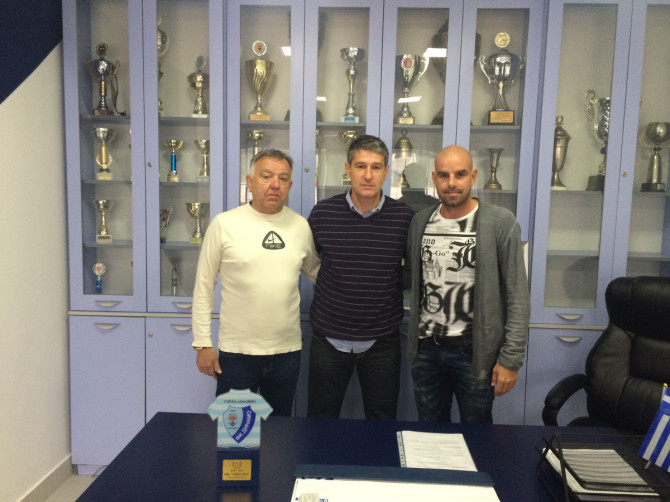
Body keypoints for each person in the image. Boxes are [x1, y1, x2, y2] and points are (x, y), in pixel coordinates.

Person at [405, 145, 529, 423]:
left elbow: (518, 296)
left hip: (475, 353)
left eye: (460, 174)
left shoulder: (500, 221)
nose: (451, 183)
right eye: (443, 175)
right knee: (431, 436)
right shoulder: (420, 222)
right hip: (427, 351)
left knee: (477, 436)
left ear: (473, 176)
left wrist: (510, 359)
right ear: (435, 179)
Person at [192, 149, 320, 417]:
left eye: (283, 179)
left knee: (279, 431)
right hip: (238, 354)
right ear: (250, 182)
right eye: (266, 176)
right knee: (236, 432)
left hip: (286, 353)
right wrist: (202, 344)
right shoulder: (224, 224)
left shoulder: (300, 226)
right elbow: (204, 286)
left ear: (290, 185)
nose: (275, 184)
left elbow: (317, 273)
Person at [307, 135, 415, 420]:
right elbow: (309, 262)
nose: (368, 175)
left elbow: (413, 269)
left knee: (382, 422)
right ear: (348, 169)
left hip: (382, 342)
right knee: (319, 421)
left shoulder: (404, 217)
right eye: (360, 166)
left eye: (376, 167)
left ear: (386, 171)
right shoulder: (322, 214)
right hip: (328, 340)